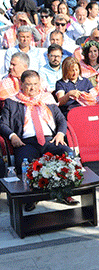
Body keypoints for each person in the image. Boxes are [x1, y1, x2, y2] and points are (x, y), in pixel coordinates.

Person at [0, 70, 74, 211]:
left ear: (40, 84)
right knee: (24, 161)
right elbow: (2, 124)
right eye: (28, 85)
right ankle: (30, 198)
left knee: (67, 153)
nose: (32, 88)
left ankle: (66, 192)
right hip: (26, 141)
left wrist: (60, 133)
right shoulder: (12, 102)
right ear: (21, 85)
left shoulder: (47, 99)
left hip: (50, 140)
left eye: (35, 84)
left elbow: (61, 120)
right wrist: (12, 136)